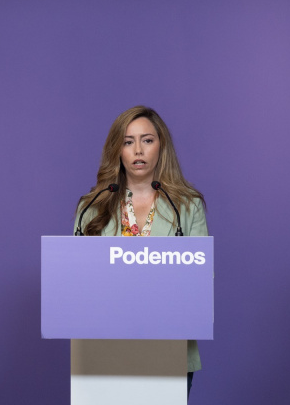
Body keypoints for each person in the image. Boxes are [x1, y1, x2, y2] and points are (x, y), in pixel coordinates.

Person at [75, 105, 207, 397]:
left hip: (168, 349)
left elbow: (201, 280)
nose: (138, 150)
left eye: (147, 140)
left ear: (161, 146)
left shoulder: (188, 205)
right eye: (128, 141)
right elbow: (77, 281)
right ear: (117, 150)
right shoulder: (91, 206)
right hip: (104, 350)